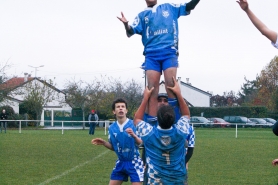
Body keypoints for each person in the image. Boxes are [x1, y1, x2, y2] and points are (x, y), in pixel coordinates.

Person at [117, 0, 201, 119]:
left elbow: (189, 6)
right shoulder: (142, 15)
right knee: (152, 90)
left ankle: (173, 121)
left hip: (169, 52)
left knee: (171, 86)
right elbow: (130, 31)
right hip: (151, 55)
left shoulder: (169, 7)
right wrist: (126, 25)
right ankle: (152, 124)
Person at [134, 76, 191, 184]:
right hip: (178, 180)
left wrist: (145, 98)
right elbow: (186, 114)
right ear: (174, 118)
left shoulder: (149, 133)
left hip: (156, 181)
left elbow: (137, 119)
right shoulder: (180, 132)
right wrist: (178, 93)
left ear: (157, 118)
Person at [91, 98, 144, 185]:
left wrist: (134, 136)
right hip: (121, 161)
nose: (120, 108)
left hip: (134, 162)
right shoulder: (112, 128)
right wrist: (104, 143)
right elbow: (113, 147)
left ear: (126, 110)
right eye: (118, 107)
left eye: (123, 107)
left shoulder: (133, 124)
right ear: (114, 111)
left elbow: (141, 143)